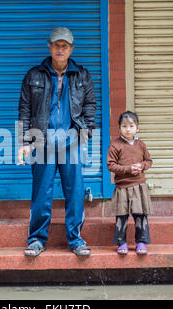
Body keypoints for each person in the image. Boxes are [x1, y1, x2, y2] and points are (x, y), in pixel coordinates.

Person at [18, 27, 96, 257]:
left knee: (75, 192)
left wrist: (86, 132)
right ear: (49, 46)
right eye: (56, 45)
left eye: (65, 45)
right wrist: (24, 141)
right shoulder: (34, 75)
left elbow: (90, 106)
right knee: (41, 193)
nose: (60, 49)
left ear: (71, 48)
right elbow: (25, 109)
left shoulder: (82, 75)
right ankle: (36, 240)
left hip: (72, 141)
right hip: (42, 142)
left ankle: (76, 240)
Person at [107, 111, 153, 255]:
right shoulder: (115, 146)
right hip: (122, 187)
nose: (128, 129)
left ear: (137, 128)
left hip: (139, 185)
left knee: (140, 215)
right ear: (119, 128)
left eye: (131, 126)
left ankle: (141, 242)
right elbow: (111, 165)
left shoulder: (141, 145)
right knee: (122, 216)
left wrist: (142, 166)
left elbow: (149, 161)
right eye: (124, 126)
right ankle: (121, 243)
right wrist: (128, 169)